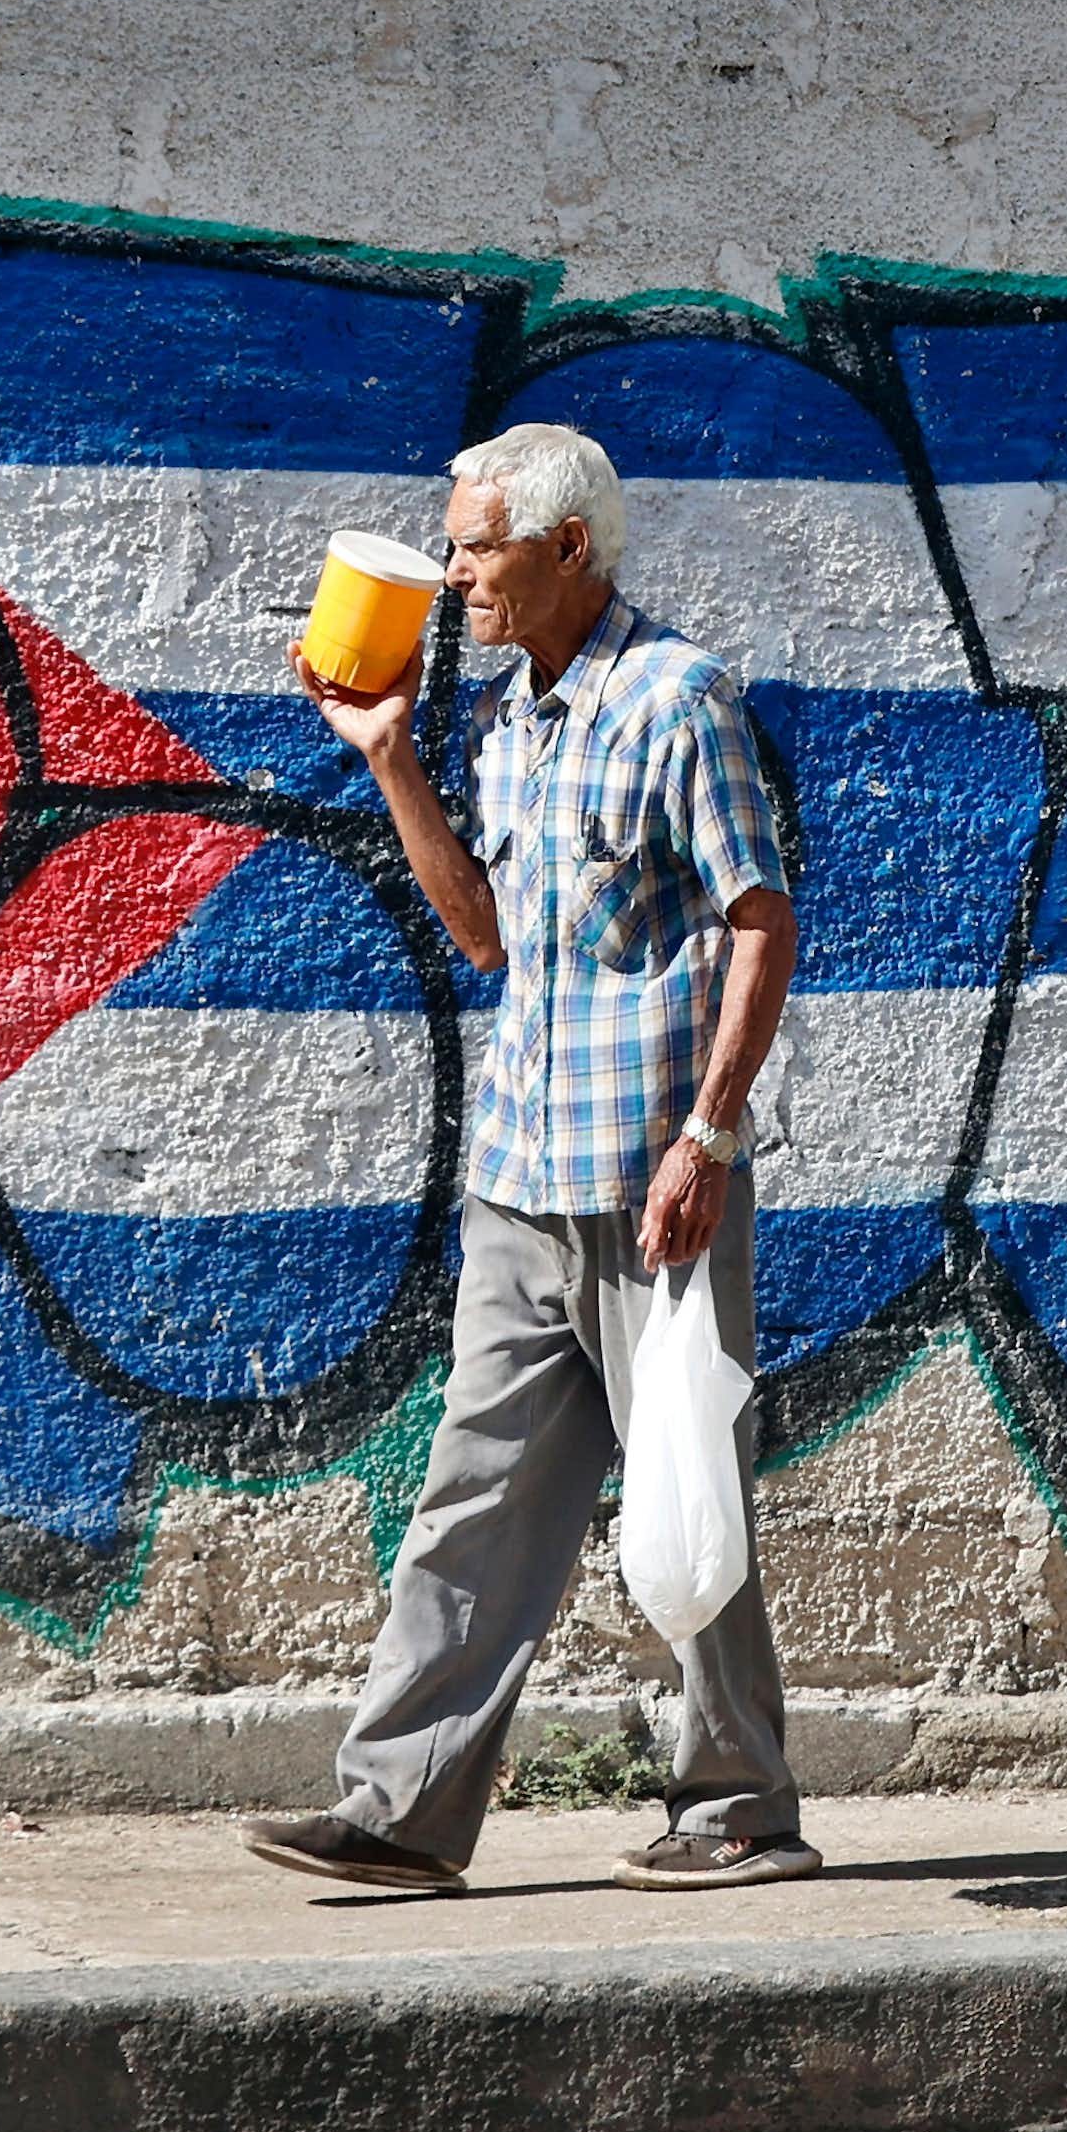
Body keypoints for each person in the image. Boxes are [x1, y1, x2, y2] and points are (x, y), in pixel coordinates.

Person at [243, 422, 814, 1894]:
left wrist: (707, 1134)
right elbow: (488, 938)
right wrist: (387, 760)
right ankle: (401, 1814)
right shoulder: (511, 719)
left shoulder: (679, 701)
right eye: (452, 544)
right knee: (471, 1499)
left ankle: (742, 1809)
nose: (454, 573)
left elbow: (762, 921)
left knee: (693, 1487)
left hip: (654, 1180)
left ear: (568, 548)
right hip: (521, 1170)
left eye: (476, 545)